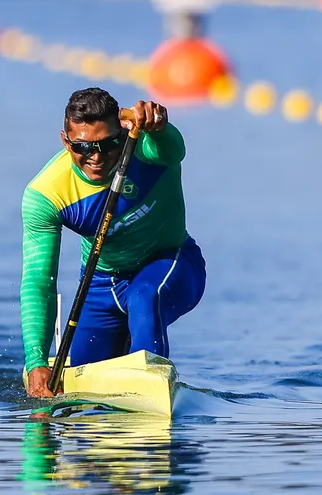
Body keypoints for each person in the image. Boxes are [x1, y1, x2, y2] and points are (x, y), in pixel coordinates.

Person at [20, 87, 206, 398]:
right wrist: (36, 361)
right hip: (100, 284)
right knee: (82, 387)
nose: (96, 157)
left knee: (145, 296)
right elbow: (39, 281)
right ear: (65, 141)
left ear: (123, 133)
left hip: (171, 263)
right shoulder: (45, 195)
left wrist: (160, 125)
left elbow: (174, 148)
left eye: (108, 145)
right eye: (83, 146)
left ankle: (151, 388)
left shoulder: (147, 149)